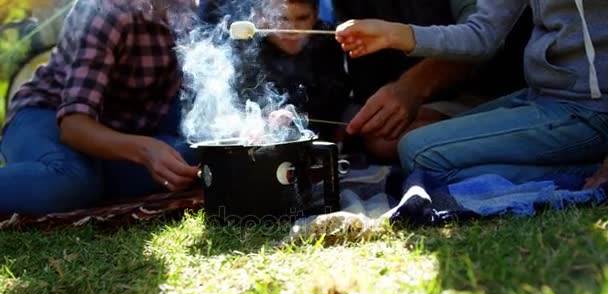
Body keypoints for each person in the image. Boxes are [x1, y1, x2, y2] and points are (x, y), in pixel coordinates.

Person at [335, 0, 607, 185]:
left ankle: (585, 169)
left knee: (419, 153)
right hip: (541, 97)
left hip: (589, 109)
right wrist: (393, 34)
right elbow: (482, 36)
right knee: (413, 149)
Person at [0, 0, 202, 215]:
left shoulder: (185, 8)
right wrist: (146, 151)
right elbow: (73, 126)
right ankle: (78, 180)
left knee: (196, 153)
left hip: (121, 130)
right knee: (69, 178)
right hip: (49, 116)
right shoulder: (107, 11)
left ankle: (90, 180)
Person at [332, 0, 532, 162]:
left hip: (489, 89)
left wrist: (411, 87)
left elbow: (483, 38)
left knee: (399, 144)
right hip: (421, 97)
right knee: (379, 135)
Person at [232, 0, 350, 141]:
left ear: (316, 13)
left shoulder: (330, 40)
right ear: (261, 16)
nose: (292, 29)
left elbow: (337, 98)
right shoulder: (249, 47)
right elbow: (240, 101)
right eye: (281, 18)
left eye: (302, 18)